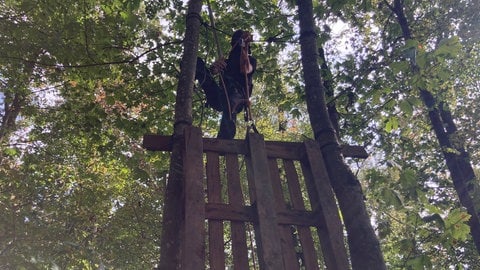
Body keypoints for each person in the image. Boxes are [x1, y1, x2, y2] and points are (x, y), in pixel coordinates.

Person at [195, 30, 257, 139]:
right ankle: (189, 77)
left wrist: (244, 47)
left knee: (231, 98)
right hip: (220, 97)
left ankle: (224, 139)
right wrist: (214, 68)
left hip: (235, 100)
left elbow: (246, 69)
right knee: (197, 62)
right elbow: (212, 73)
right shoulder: (227, 62)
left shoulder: (250, 60)